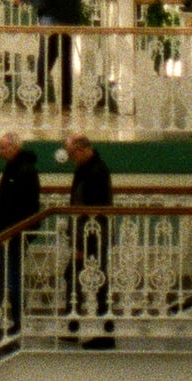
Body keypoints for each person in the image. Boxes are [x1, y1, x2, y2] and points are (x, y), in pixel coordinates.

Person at [66, 132, 114, 339]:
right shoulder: (90, 168)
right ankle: (86, 326)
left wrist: (80, 245)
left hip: (92, 238)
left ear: (83, 149)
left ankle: (86, 328)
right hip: (92, 236)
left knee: (88, 280)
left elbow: (90, 210)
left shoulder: (94, 172)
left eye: (72, 153)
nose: (71, 158)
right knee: (93, 280)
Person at [0, 132, 41, 330]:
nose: (0, 152)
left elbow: (22, 205)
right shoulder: (15, 168)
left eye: (3, 147)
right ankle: (7, 317)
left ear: (14, 147)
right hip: (9, 232)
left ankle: (18, 320)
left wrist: (11, 230)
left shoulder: (23, 170)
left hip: (15, 233)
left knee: (13, 277)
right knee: (7, 276)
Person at [29, 0, 83, 111]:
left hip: (52, 23)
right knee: (66, 62)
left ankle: (35, 98)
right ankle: (66, 102)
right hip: (69, 22)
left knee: (45, 61)